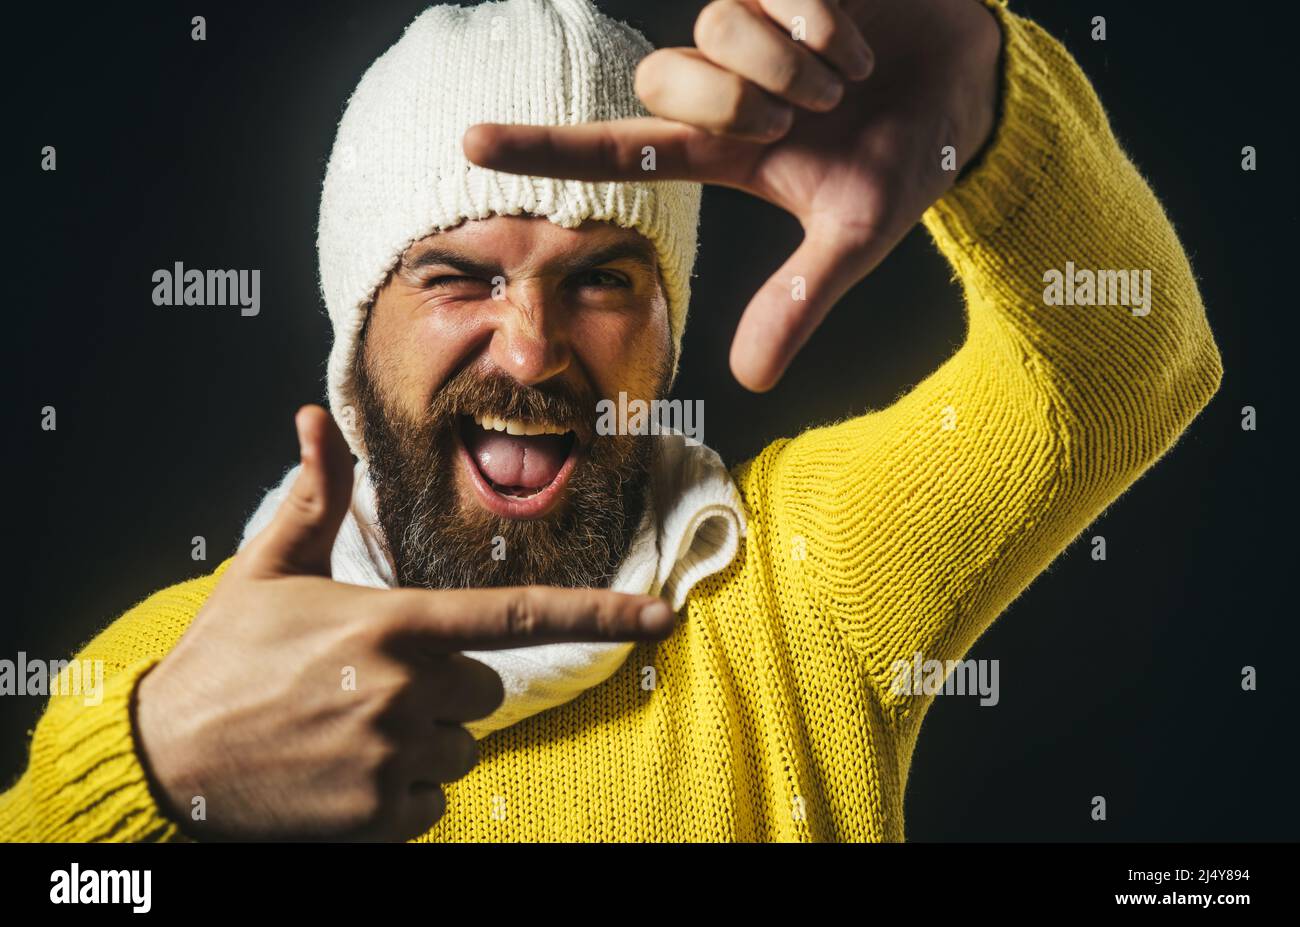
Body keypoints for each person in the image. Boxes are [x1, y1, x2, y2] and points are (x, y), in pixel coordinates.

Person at [0, 0, 1223, 842]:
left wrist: (986, 109)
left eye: (601, 279)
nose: (532, 351)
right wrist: (149, 781)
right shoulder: (174, 669)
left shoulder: (795, 579)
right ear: (349, 332)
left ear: (665, 325)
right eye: (456, 276)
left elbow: (1131, 368)